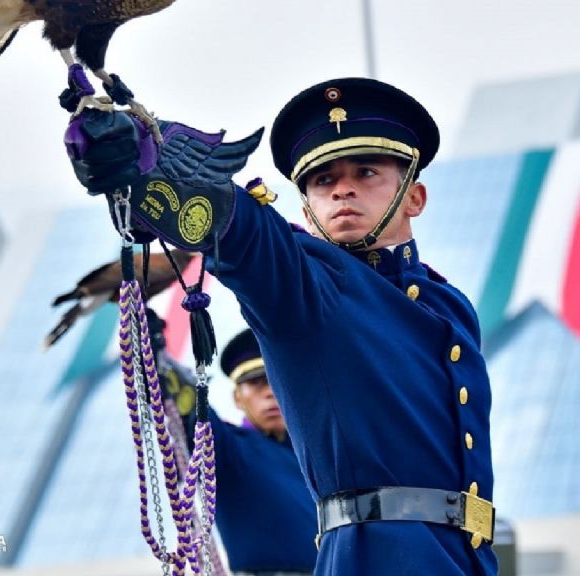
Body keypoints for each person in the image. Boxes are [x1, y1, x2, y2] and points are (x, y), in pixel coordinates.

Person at [66, 77, 498, 576]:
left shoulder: (448, 305)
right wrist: (145, 161)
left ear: (414, 197)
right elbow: (245, 232)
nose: (343, 189)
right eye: (322, 181)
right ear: (307, 210)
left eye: (366, 171)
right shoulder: (307, 284)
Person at [158, 323, 317, 575]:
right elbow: (193, 413)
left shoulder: (321, 455)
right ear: (237, 399)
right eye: (255, 383)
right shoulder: (230, 447)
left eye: (276, 381)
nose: (269, 392)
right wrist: (158, 357)